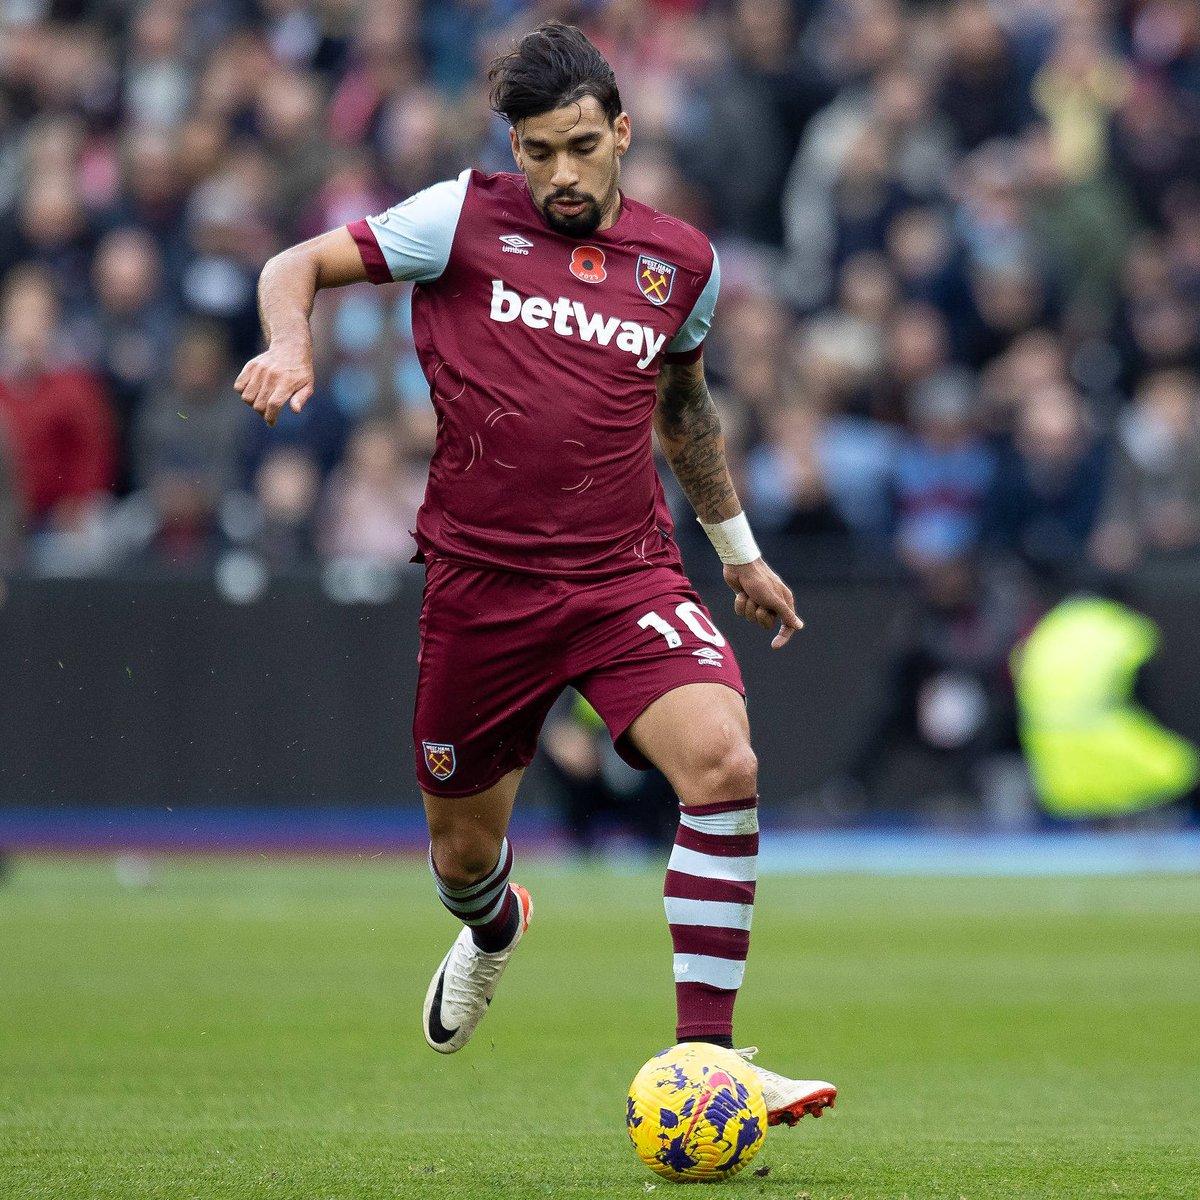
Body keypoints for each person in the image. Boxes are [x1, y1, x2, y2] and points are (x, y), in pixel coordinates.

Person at [236, 22, 835, 1127]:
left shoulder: (681, 264)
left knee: (722, 760)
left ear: (622, 132)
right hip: (482, 589)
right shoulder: (460, 216)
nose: (558, 173)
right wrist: (292, 344)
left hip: (626, 578)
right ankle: (494, 923)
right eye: (536, 151)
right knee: (460, 854)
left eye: (577, 146)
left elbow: (685, 409)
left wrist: (739, 554)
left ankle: (706, 1061)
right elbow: (294, 264)